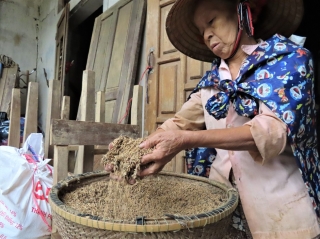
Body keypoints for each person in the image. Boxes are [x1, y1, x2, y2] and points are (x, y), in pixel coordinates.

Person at [106, 0, 320, 238]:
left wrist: (186, 140)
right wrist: (137, 151)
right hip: (224, 207)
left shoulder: (289, 61)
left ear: (242, 12)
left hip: (280, 211)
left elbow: (271, 131)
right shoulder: (212, 82)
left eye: (212, 21)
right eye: (202, 31)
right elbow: (178, 124)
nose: (208, 35)